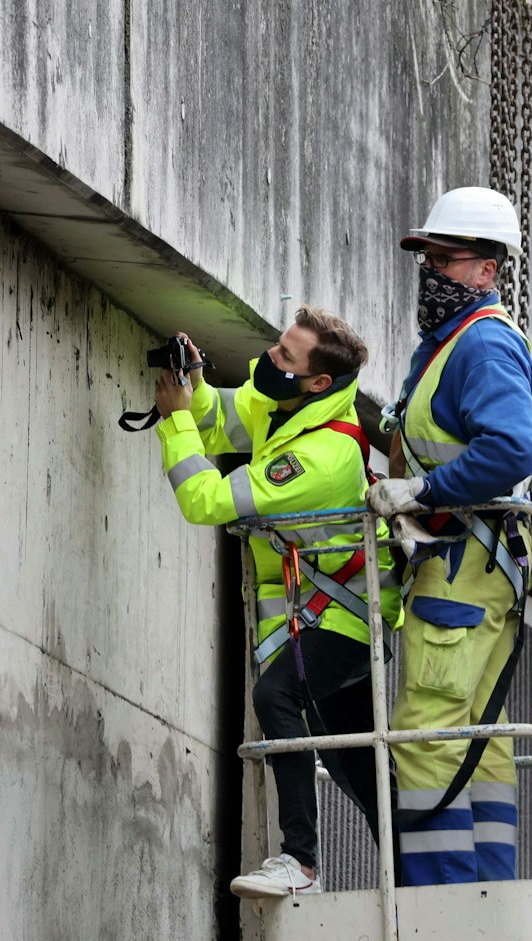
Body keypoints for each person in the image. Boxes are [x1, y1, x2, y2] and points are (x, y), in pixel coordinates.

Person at [153, 307, 397, 897]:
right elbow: (220, 421)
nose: (269, 359)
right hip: (326, 611)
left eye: (286, 356)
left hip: (349, 615)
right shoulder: (286, 406)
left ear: (317, 381)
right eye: (278, 346)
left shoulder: (321, 457)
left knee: (277, 694)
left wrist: (172, 421)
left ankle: (301, 864)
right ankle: (419, 870)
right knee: (357, 767)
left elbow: (206, 501)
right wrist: (196, 385)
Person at [366, 187, 532, 886]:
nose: (431, 272)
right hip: (478, 563)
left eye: (445, 259)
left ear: (486, 270)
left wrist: (424, 491)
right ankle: (487, 889)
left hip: (463, 561)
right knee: (479, 735)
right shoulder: (448, 346)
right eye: (427, 259)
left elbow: (511, 449)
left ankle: (443, 902)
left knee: (426, 724)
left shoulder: (484, 343)